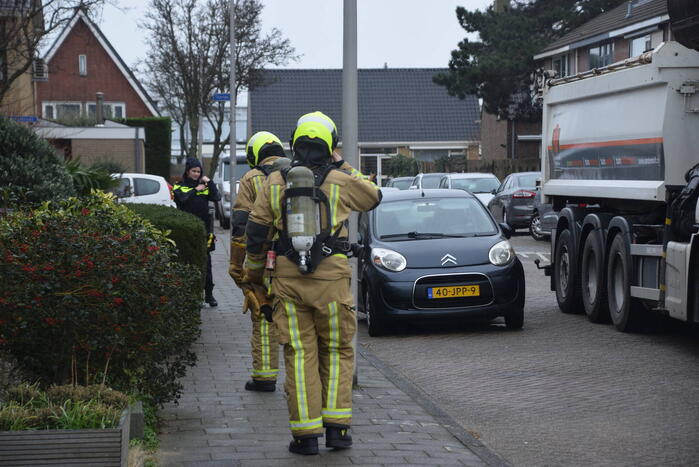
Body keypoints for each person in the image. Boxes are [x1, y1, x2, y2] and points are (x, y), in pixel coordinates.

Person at [243, 113, 381, 455]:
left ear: (295, 143)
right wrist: (343, 164)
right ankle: (338, 432)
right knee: (337, 350)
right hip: (333, 280)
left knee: (299, 354)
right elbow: (374, 196)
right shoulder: (341, 179)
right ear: (331, 145)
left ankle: (305, 437)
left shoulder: (274, 181)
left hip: (287, 281)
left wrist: (254, 277)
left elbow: (256, 233)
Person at [229, 131, 288, 392]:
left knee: (263, 313)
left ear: (254, 155)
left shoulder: (251, 178)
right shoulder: (297, 173)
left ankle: (265, 377)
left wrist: (236, 265)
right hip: (294, 258)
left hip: (262, 258)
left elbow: (241, 226)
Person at [173, 157, 221, 306]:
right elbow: (182, 200)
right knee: (189, 262)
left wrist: (210, 182)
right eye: (193, 171)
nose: (196, 174)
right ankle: (192, 295)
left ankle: (209, 295)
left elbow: (217, 197)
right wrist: (195, 190)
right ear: (187, 171)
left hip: (204, 230)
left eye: (198, 171)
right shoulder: (179, 186)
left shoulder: (205, 186)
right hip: (187, 230)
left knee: (206, 263)